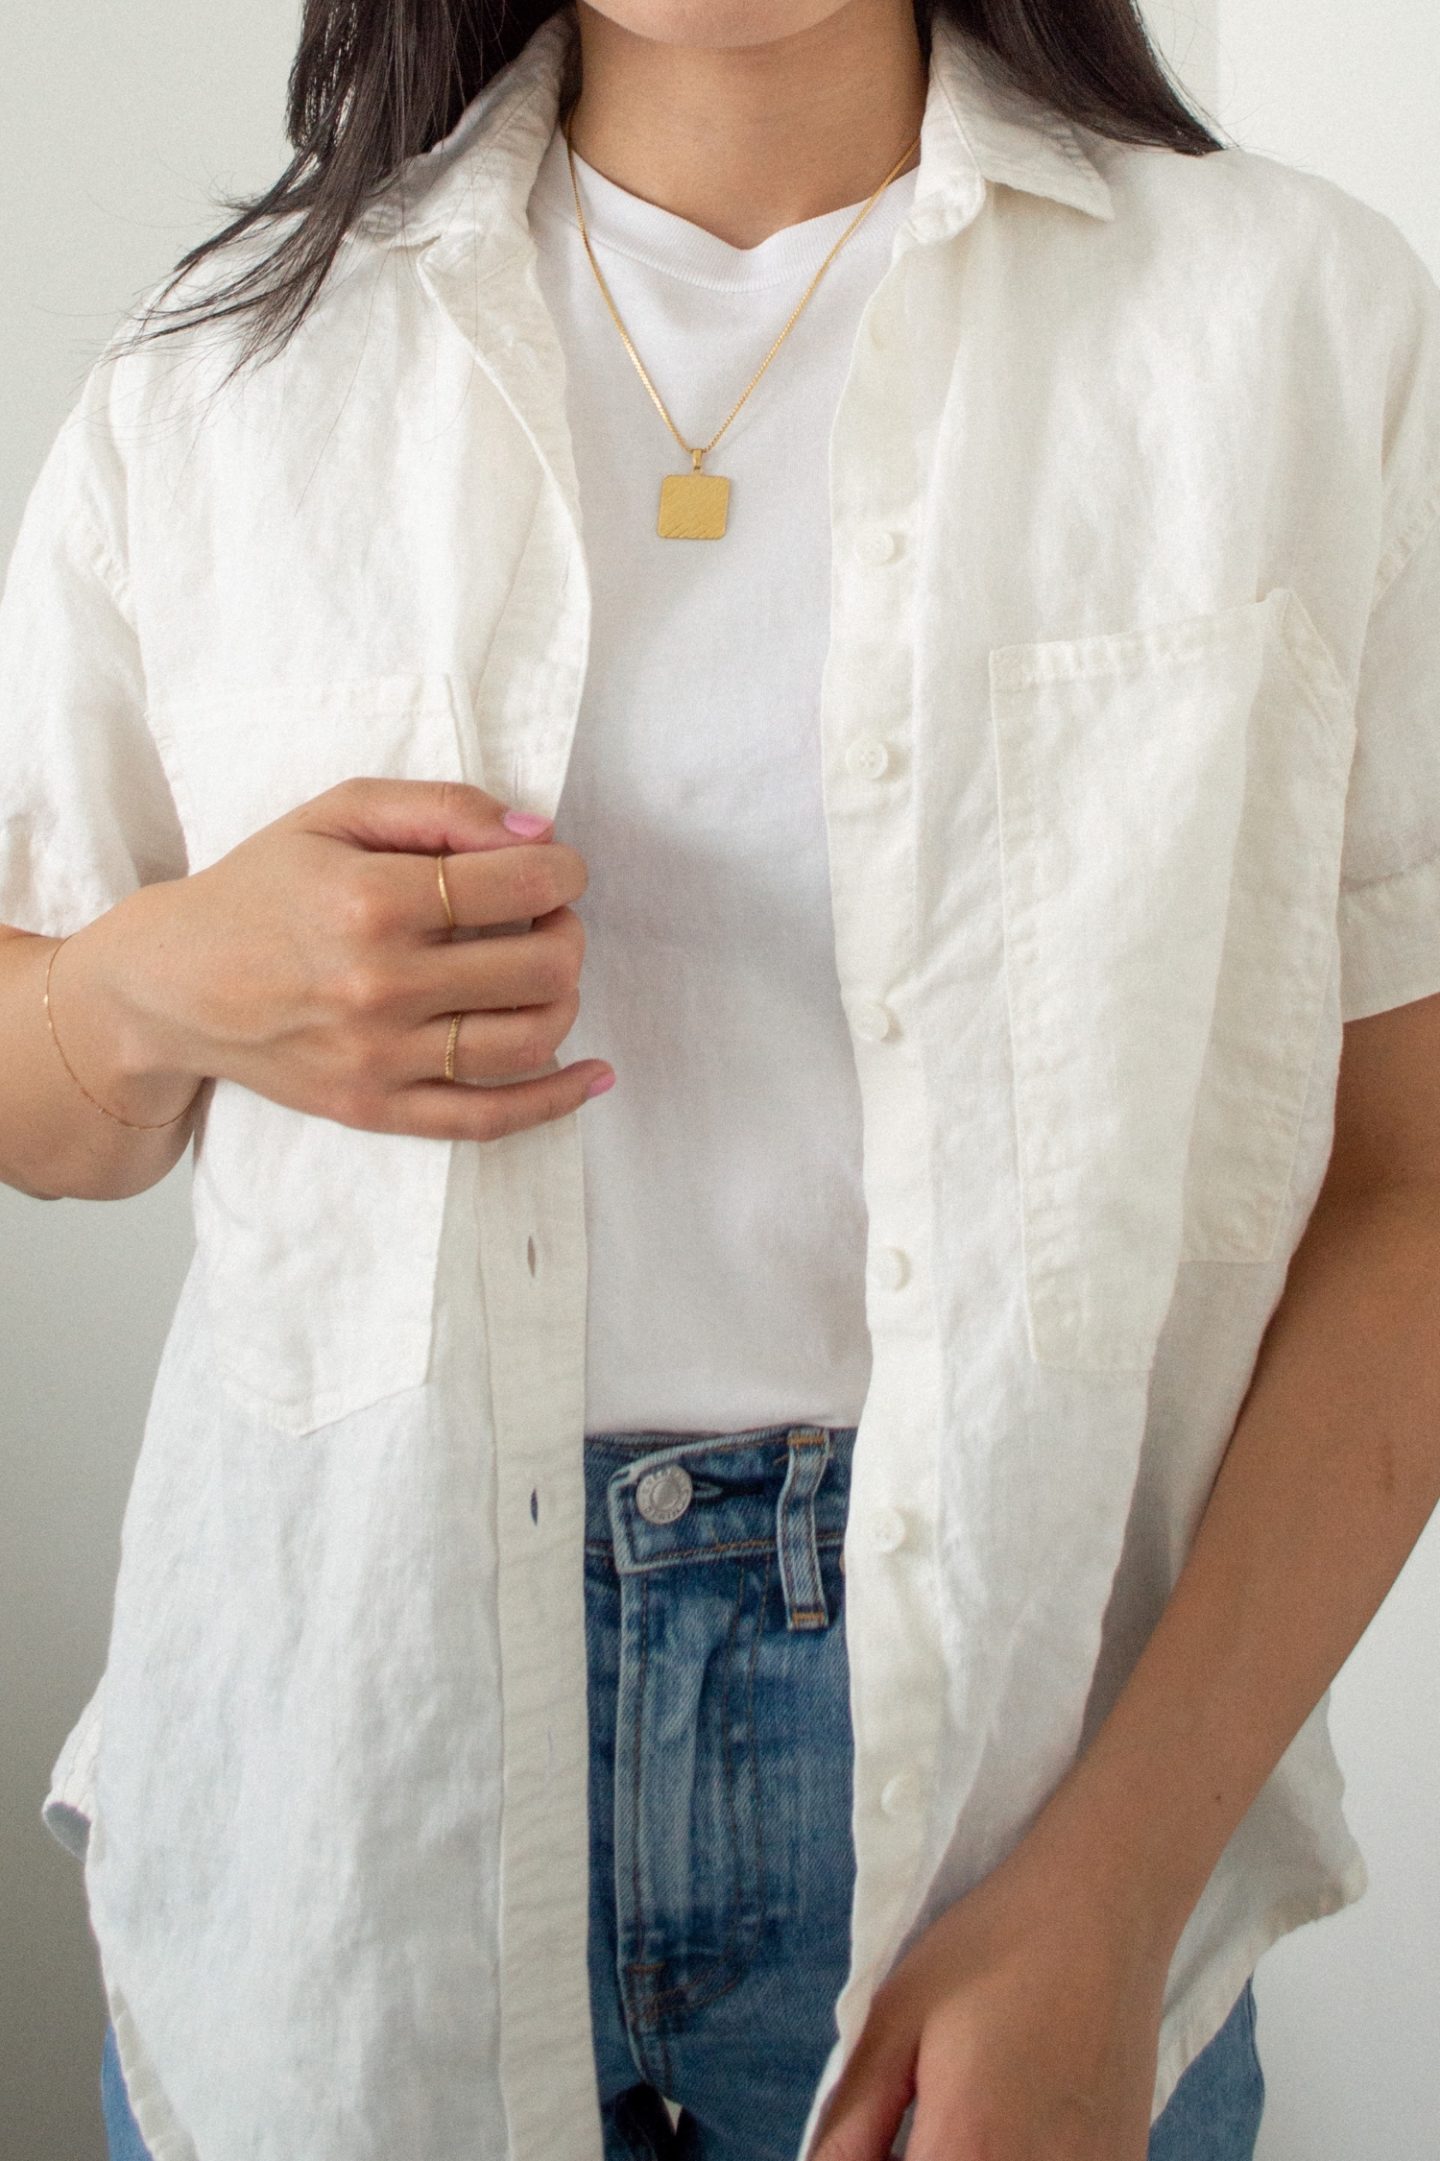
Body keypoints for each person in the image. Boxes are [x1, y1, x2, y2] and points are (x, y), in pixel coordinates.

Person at [3, 0, 1440, 2156]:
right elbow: (57, 1104)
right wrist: (153, 988)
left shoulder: (1289, 328)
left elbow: (1412, 1183)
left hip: (1024, 1789)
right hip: (345, 1818)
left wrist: (1123, 1880)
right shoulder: (225, 377)